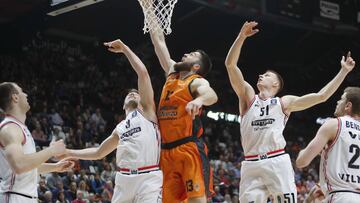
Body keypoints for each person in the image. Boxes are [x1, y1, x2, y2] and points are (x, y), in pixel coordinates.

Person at [224, 21, 356, 202]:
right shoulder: (248, 97)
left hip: (276, 160)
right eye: (261, 74)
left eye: (267, 75)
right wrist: (241, 37)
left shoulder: (283, 103)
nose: (261, 76)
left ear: (276, 84)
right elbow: (230, 65)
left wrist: (343, 72)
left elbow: (321, 96)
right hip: (251, 163)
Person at [62, 39, 162, 203]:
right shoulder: (120, 127)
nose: (132, 93)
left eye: (136, 93)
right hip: (123, 179)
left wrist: (125, 48)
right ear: (123, 105)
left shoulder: (148, 113)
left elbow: (142, 73)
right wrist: (68, 152)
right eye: (129, 94)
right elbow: (98, 153)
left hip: (148, 177)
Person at [145, 5, 218, 203]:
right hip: (165, 152)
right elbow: (158, 40)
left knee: (197, 200)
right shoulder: (171, 72)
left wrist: (199, 100)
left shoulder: (196, 81)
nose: (186, 54)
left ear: (196, 66)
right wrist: (147, 7)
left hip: (188, 150)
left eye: (192, 54)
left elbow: (211, 95)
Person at [0, 82, 73, 203]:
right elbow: (19, 165)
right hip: (14, 197)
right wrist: (51, 150)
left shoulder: (19, 127)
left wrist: (55, 167)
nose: (26, 94)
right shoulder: (10, 129)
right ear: (15, 97)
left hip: (25, 197)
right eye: (22, 91)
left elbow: (27, 167)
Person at [297, 87, 360, 202]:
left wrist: (303, 152)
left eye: (341, 99)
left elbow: (302, 161)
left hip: (340, 195)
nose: (337, 102)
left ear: (348, 106)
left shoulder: (334, 124)